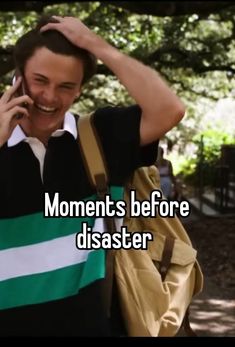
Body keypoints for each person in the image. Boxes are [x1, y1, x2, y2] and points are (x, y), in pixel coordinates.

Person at [0, 15, 185, 336]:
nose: (50, 97)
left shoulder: (102, 135)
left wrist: (97, 46)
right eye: (40, 80)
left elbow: (170, 109)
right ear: (17, 78)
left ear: (80, 90)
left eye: (66, 86)